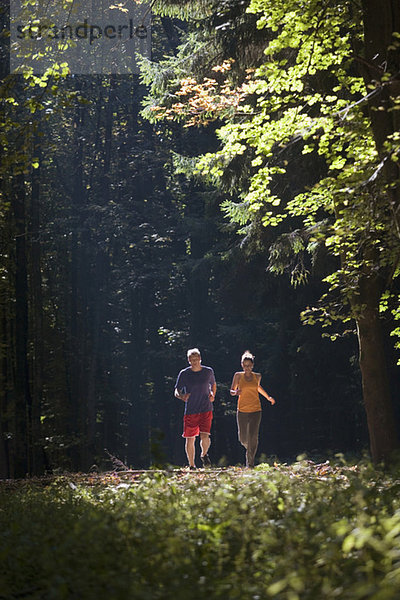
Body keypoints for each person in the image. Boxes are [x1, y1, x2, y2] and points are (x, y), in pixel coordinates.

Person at [230, 350, 275, 468]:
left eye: (249, 366)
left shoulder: (258, 376)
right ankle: (249, 448)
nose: (247, 368)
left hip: (256, 410)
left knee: (253, 437)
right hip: (242, 410)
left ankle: (250, 464)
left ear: (253, 365)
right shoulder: (238, 376)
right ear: (242, 365)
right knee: (243, 438)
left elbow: (257, 387)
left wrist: (268, 397)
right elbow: (231, 391)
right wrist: (236, 392)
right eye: (245, 366)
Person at [174, 348, 217, 470]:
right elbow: (176, 390)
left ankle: (204, 454)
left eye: (196, 360)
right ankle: (192, 465)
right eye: (192, 360)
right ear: (189, 361)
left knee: (205, 436)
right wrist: (182, 396)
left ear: (200, 359)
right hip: (191, 410)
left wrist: (213, 395)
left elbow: (213, 384)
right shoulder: (184, 373)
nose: (194, 362)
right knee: (190, 438)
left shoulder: (208, 371)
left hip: (206, 408)